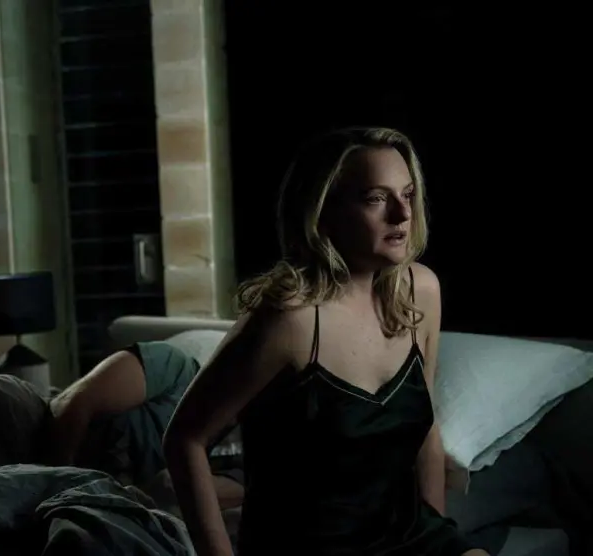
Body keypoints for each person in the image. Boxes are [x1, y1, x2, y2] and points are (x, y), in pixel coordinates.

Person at [162, 127, 489, 555]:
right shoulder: (290, 319)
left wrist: (438, 537)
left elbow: (426, 431)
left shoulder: (419, 291)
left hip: (409, 535)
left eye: (408, 195)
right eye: (376, 198)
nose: (402, 214)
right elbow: (184, 439)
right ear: (324, 211)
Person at [47, 340, 245, 511]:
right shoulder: (174, 369)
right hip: (49, 443)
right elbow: (73, 404)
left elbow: (173, 487)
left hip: (96, 502)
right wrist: (57, 488)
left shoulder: (241, 459)